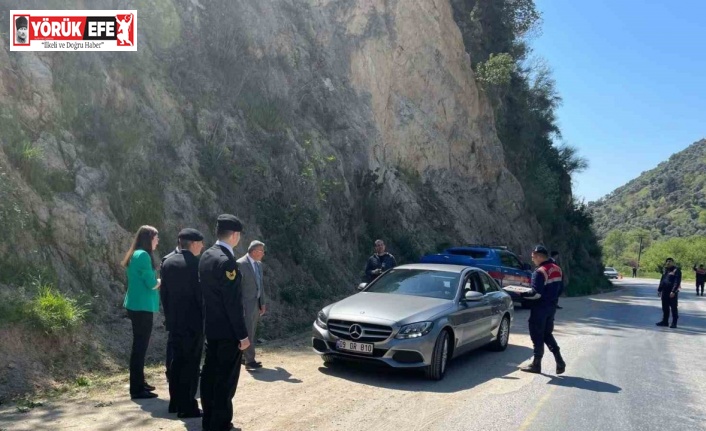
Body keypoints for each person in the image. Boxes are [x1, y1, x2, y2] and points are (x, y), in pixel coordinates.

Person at [199, 214, 251, 431]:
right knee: (225, 380)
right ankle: (220, 424)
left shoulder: (206, 256)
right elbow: (232, 304)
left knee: (210, 375)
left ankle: (209, 421)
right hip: (228, 332)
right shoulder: (227, 262)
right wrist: (242, 335)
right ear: (235, 235)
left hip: (211, 328)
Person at [161, 228, 205, 418]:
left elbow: (165, 295)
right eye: (201, 243)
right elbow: (201, 297)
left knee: (176, 362)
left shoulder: (167, 262)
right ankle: (187, 406)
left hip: (175, 322)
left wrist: (170, 318)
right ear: (194, 244)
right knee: (191, 365)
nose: (202, 247)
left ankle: (175, 402)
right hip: (193, 323)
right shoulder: (197, 264)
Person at [121, 225, 161, 399]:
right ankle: (136, 388)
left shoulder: (136, 253)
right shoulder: (143, 255)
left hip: (137, 305)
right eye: (156, 237)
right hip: (141, 306)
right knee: (140, 347)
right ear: (149, 239)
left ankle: (139, 382)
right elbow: (151, 283)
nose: (158, 241)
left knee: (139, 346)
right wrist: (161, 280)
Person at [520, 245, 566, 375]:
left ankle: (536, 365)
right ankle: (559, 361)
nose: (532, 259)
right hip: (551, 307)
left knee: (537, 335)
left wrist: (522, 295)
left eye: (534, 257)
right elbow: (561, 288)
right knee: (547, 334)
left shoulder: (540, 272)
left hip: (539, 308)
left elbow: (536, 294)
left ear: (540, 257)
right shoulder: (557, 269)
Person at [236, 240, 268, 370]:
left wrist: (263, 303)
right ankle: (250, 361)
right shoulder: (240, 264)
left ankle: (244, 357)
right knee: (248, 331)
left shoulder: (259, 264)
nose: (263, 254)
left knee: (251, 331)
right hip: (245, 304)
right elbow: (236, 288)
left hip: (256, 303)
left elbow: (260, 286)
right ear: (254, 251)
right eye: (261, 251)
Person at [161, 239, 181, 390]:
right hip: (174, 309)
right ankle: (170, 370)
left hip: (187, 309)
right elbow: (165, 290)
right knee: (172, 342)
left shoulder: (194, 259)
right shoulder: (168, 260)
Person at [657, 258, 681, 328]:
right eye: (667, 261)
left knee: (673, 308)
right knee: (665, 307)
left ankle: (674, 323)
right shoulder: (665, 270)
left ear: (673, 262)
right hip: (665, 291)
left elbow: (677, 282)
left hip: (672, 292)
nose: (668, 263)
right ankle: (665, 321)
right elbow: (662, 280)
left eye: (670, 261)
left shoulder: (676, 270)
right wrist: (659, 290)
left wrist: (673, 291)